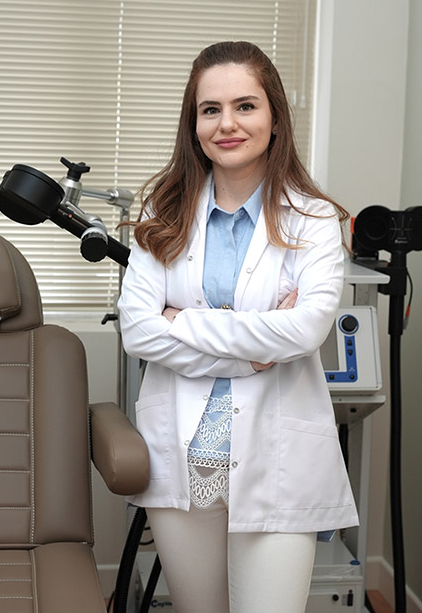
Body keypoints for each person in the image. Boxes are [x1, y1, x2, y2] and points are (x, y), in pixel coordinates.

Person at [117, 41, 359, 613]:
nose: (227, 124)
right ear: (194, 124)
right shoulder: (162, 217)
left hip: (279, 458)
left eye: (245, 106)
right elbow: (138, 333)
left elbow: (305, 331)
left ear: (274, 118)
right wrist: (254, 349)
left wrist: (182, 321)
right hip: (187, 456)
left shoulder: (314, 220)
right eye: (210, 110)